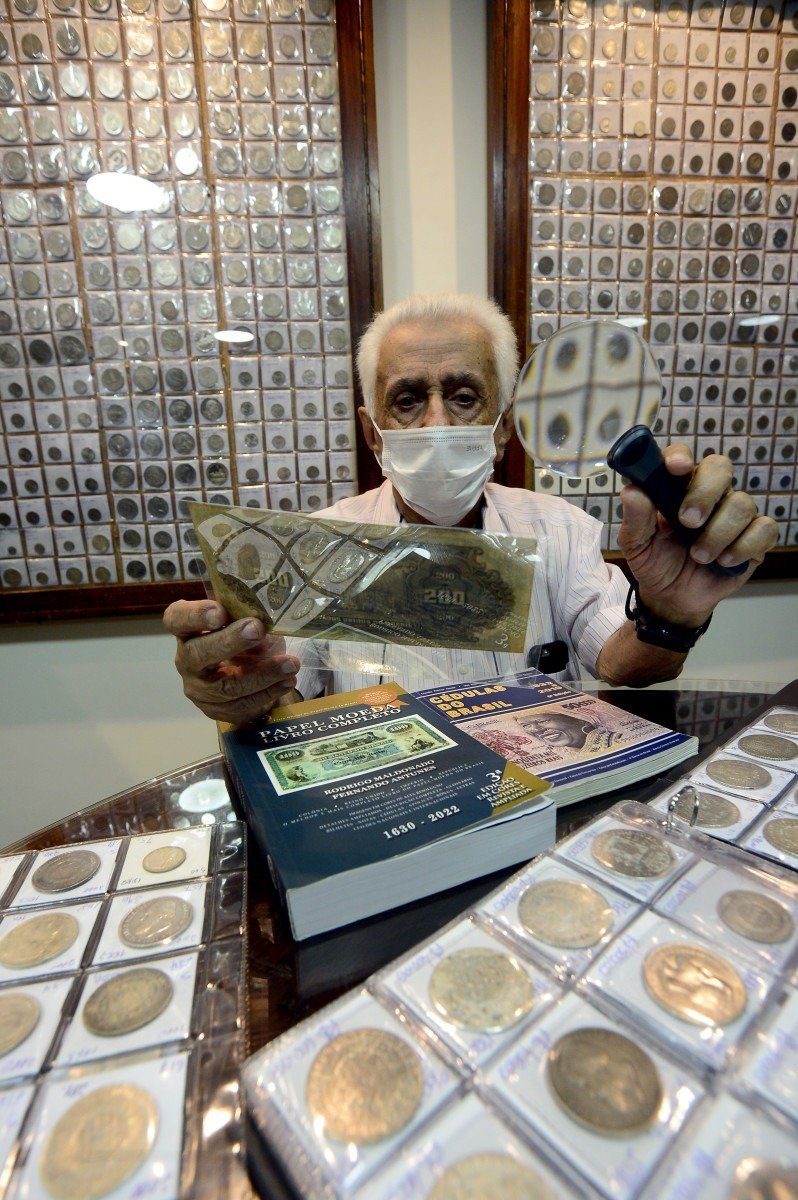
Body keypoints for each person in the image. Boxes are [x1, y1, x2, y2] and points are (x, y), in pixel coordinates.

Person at [164, 293, 778, 726]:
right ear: (373, 433)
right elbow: (282, 698)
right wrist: (242, 693)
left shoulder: (559, 531)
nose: (435, 422)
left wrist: (668, 617)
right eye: (407, 399)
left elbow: (623, 664)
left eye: (463, 396)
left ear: (502, 428)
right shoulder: (317, 549)